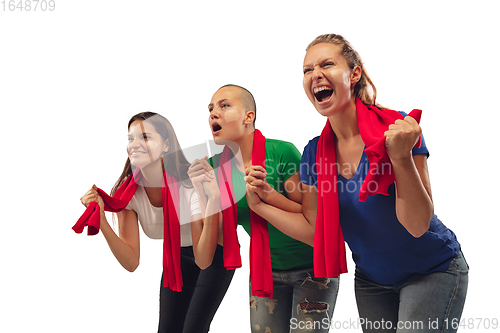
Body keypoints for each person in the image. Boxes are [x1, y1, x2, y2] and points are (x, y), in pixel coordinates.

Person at [245, 34, 468, 333]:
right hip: (373, 280)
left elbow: (417, 224)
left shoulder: (398, 129)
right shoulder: (313, 154)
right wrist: (260, 205)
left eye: (327, 64)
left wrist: (400, 157)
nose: (316, 74)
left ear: (354, 74)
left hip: (432, 270)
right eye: (307, 70)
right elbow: (316, 231)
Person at [188, 84, 339, 333]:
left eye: (224, 105)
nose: (214, 113)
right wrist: (209, 196)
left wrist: (266, 194)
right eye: (211, 109)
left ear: (249, 117)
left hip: (314, 270)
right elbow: (205, 256)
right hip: (266, 273)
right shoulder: (214, 168)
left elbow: (309, 217)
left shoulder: (282, 152)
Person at [76, 112, 233, 333]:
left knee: (193, 328)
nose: (135, 144)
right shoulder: (126, 195)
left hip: (214, 252)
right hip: (177, 258)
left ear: (166, 145)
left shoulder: (189, 184)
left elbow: (203, 258)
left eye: (145, 137)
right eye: (131, 139)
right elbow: (131, 261)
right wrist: (101, 220)